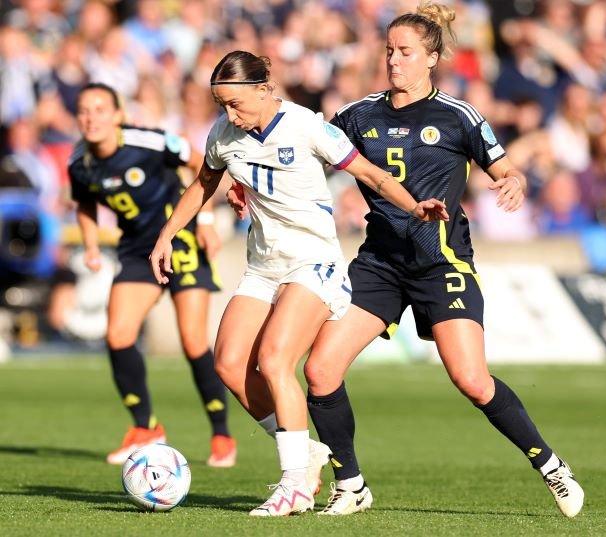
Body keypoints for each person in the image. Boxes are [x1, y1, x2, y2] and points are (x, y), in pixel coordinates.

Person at [228, 2, 586, 518]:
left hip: (442, 264)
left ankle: (550, 465)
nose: (394, 60)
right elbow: (296, 143)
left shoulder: (459, 116)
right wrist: (244, 181)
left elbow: (505, 167)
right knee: (322, 371)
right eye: (390, 51)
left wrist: (512, 180)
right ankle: (350, 484)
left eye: (406, 52)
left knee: (471, 380)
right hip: (379, 264)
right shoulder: (358, 115)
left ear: (432, 58)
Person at [149, 50, 448, 517]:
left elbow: (368, 172)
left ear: (265, 89)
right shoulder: (225, 135)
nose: (230, 114)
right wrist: (167, 234)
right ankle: (303, 451)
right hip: (264, 265)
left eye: (236, 104)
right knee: (228, 362)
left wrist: (414, 208)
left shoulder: (305, 125)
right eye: (222, 105)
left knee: (274, 359)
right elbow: (203, 183)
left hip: (313, 261)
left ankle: (295, 485)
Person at [68, 82, 237, 467]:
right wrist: (92, 246)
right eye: (83, 110)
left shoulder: (151, 142)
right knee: (118, 334)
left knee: (193, 340)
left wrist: (206, 220)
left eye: (98, 109)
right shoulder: (80, 163)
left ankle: (222, 435)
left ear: (117, 115)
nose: (90, 117)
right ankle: (146, 428)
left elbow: (200, 162)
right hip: (136, 250)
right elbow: (85, 204)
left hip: (181, 241)